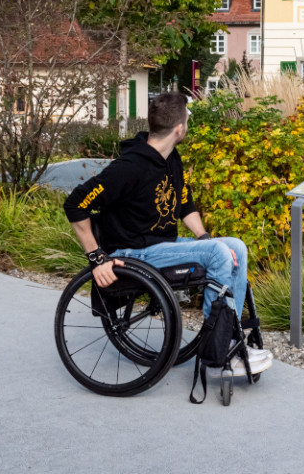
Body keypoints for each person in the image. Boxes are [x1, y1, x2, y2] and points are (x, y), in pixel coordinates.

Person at [63, 92, 271, 376]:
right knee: (219, 253)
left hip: (162, 245)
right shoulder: (129, 168)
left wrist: (204, 239)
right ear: (178, 128)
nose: (188, 125)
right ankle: (220, 349)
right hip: (132, 252)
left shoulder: (172, 158)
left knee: (235, 246)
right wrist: (97, 257)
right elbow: (75, 203)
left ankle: (230, 338)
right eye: (187, 120)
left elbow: (185, 205)